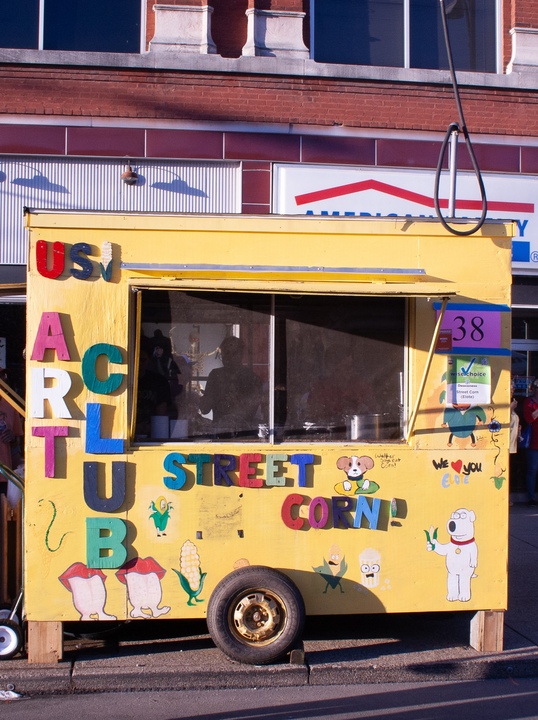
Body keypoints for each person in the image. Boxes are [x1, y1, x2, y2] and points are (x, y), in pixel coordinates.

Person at [199, 336, 262, 438]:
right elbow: (204, 409)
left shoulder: (251, 378)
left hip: (244, 435)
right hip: (220, 435)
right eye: (226, 354)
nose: (229, 358)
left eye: (233, 353)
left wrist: (237, 402)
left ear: (241, 355)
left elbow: (253, 411)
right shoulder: (215, 376)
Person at [135, 343, 172, 439]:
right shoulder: (123, 381)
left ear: (149, 360)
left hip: (153, 436)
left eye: (143, 360)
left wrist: (151, 427)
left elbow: (161, 415)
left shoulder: (159, 382)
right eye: (136, 360)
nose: (139, 364)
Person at [0, 368, 23, 471]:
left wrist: (12, 438)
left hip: (5, 474)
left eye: (3, 376)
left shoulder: (11, 406)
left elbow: (17, 442)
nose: (3, 379)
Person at [523, 379, 538, 505]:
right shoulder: (529, 402)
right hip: (533, 442)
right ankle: (531, 497)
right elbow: (529, 419)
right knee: (532, 470)